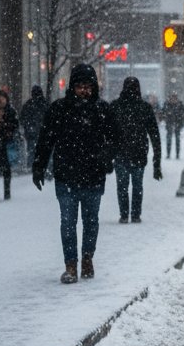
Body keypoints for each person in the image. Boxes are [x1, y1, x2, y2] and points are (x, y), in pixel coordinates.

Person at [33, 63, 119, 284]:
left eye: (88, 86)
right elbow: (46, 140)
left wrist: (106, 156)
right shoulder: (59, 109)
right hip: (66, 176)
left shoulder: (102, 110)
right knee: (68, 223)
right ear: (72, 87)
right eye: (80, 86)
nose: (84, 91)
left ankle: (87, 258)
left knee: (91, 222)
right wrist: (39, 166)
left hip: (93, 176)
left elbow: (116, 138)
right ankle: (70, 265)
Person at [110, 76, 162, 223]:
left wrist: (107, 154)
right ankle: (135, 214)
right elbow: (154, 135)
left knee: (122, 186)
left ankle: (124, 214)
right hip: (138, 153)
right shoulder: (144, 108)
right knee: (137, 186)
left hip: (121, 153)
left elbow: (107, 133)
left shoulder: (115, 106)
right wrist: (156, 162)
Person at [20, 84, 48, 171]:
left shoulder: (28, 104)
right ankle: (43, 167)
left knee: (31, 151)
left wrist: (27, 127)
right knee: (43, 151)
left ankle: (31, 167)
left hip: (31, 133)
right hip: (42, 132)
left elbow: (22, 119)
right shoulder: (45, 104)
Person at [162, 92, 184, 159]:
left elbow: (183, 114)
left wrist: (180, 120)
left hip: (177, 124)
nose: (173, 99)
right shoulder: (167, 104)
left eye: (174, 98)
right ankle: (168, 154)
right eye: (172, 98)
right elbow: (163, 113)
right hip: (170, 123)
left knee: (177, 140)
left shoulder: (179, 105)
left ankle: (177, 154)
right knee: (169, 140)